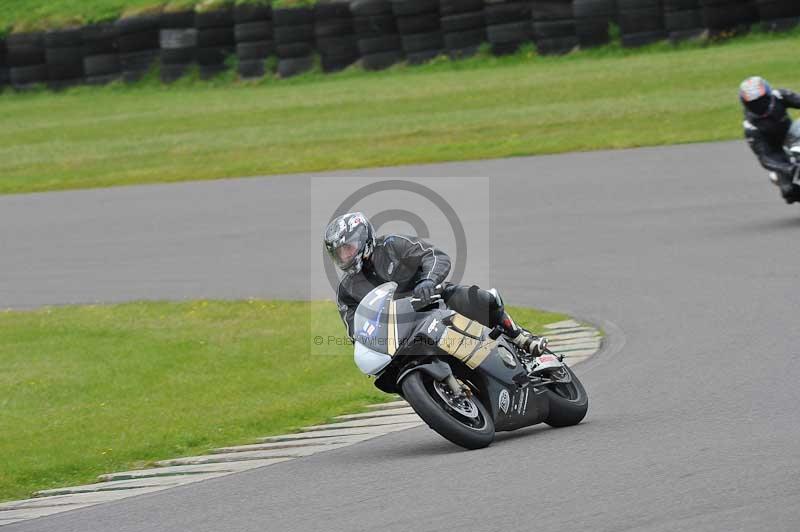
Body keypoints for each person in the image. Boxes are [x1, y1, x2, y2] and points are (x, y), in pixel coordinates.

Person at [324, 211, 547, 356]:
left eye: (348, 248)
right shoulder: (347, 290)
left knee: (474, 297)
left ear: (364, 238)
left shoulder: (393, 245)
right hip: (403, 333)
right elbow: (355, 330)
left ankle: (520, 336)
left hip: (434, 301)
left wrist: (428, 281)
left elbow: (435, 256)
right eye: (339, 254)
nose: (344, 257)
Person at [739, 76, 800, 203]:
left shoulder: (780, 96)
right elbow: (765, 157)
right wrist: (788, 168)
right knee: (789, 191)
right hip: (777, 152)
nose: (759, 105)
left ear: (768, 94)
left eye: (762, 100)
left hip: (793, 134)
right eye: (753, 104)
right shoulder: (751, 127)